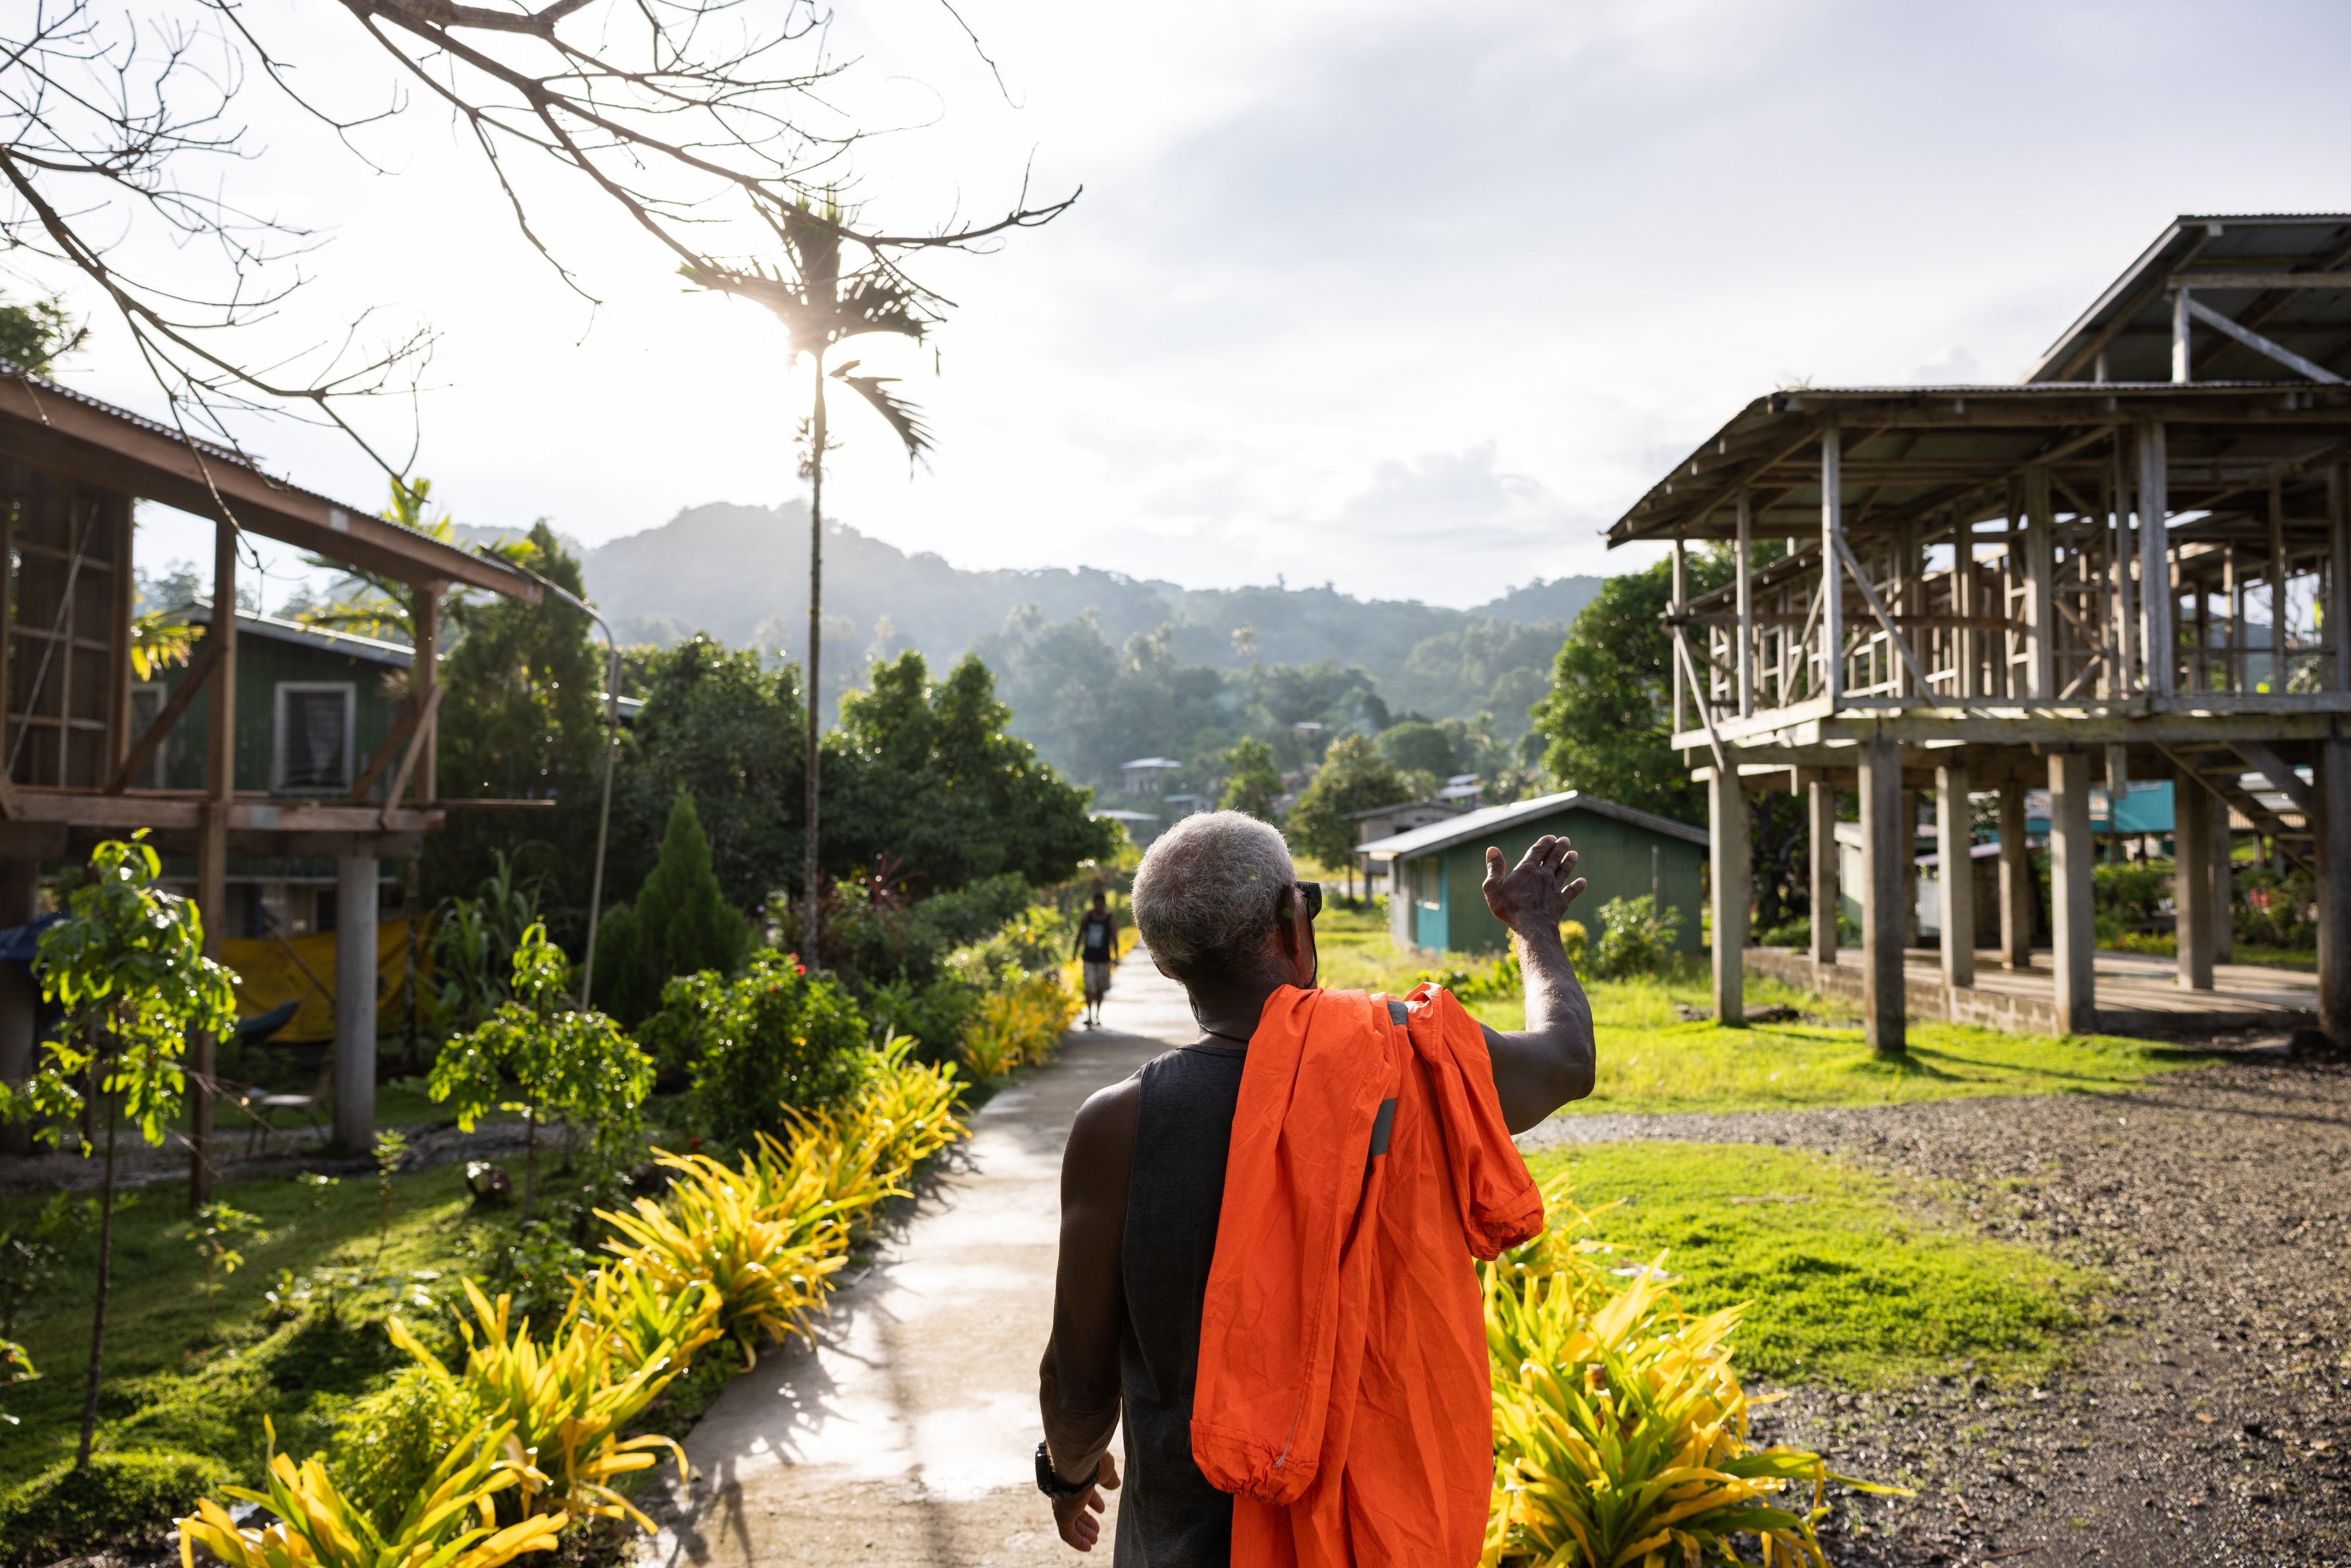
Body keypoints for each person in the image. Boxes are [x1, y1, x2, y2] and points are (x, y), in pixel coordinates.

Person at [1034, 810, 1595, 1563]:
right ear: (1291, 923)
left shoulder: (1115, 1128)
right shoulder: (1411, 1058)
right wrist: (1534, 929)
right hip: (1391, 1539)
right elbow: (1565, 1059)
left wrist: (1066, 1475)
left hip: (1184, 1544)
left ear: (1167, 964)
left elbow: (1077, 1379)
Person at [1075, 892, 1119, 1028]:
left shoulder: (1109, 919)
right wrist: (1074, 952)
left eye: (1101, 904)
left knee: (1100, 988)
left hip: (1104, 959)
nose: (1099, 906)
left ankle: (1097, 1016)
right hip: (1089, 958)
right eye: (1097, 904)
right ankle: (1089, 1016)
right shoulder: (1087, 917)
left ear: (1104, 904)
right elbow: (1080, 935)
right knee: (1089, 987)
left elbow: (1114, 938)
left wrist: (1116, 956)